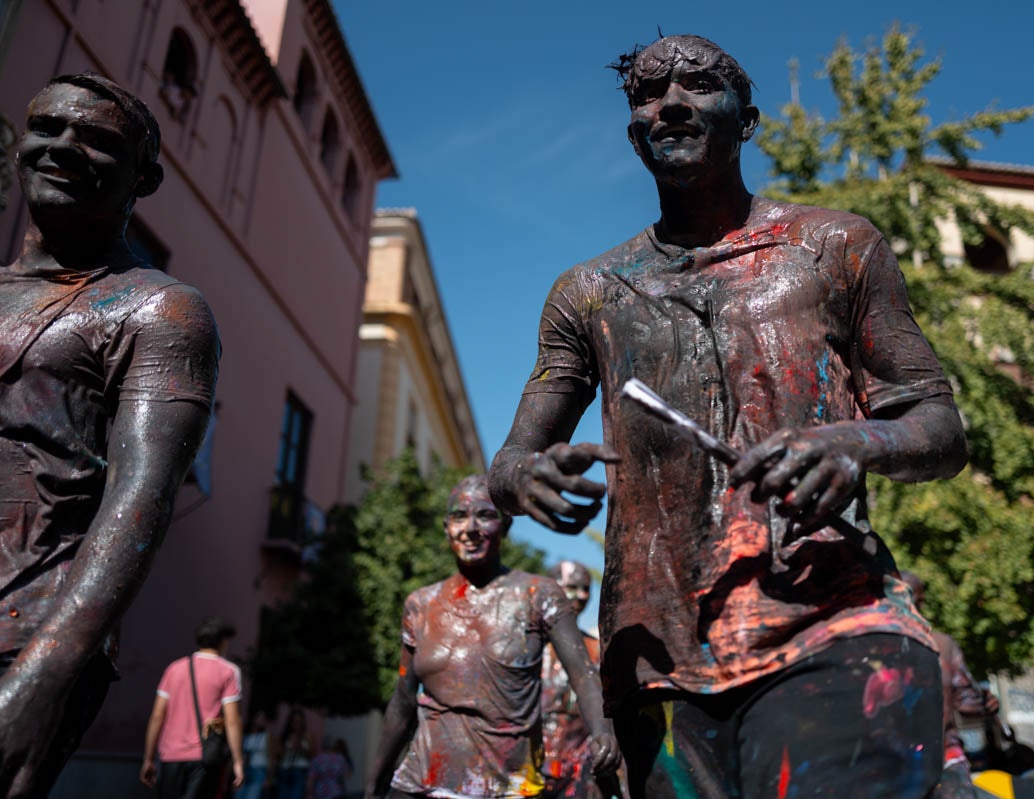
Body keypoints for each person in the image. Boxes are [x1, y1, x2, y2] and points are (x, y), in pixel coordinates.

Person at [489, 34, 968, 799]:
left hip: (830, 621)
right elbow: (509, 463)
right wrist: (527, 478)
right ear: (633, 132)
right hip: (657, 661)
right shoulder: (587, 291)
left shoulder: (835, 246)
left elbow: (939, 426)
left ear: (746, 120)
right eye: (648, 94)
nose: (670, 102)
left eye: (698, 84)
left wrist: (853, 440)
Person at [0, 73, 219, 797]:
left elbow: (141, 498)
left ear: (142, 178)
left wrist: (41, 677)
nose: (64, 147)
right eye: (49, 128)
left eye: (97, 140)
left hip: (23, 628)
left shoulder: (161, 309)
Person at [365, 475, 620, 799]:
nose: (470, 528)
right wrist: (374, 786)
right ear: (446, 528)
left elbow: (583, 675)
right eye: (460, 516)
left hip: (508, 787)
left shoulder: (538, 595)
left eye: (485, 515)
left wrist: (602, 731)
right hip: (421, 784)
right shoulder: (421, 605)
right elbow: (402, 703)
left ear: (505, 526)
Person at [899, 572, 998, 797]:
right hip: (890, 759)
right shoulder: (868, 645)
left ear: (921, 601)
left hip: (944, 757)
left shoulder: (943, 645)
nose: (900, 601)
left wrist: (985, 702)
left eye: (907, 595)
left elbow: (968, 700)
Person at [140, 617, 245, 798]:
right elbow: (232, 720)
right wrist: (237, 761)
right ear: (222, 641)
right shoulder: (228, 671)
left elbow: (157, 715)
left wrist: (148, 758)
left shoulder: (174, 668)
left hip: (170, 755)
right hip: (204, 756)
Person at [540, 561, 604, 799]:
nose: (581, 595)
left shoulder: (597, 649)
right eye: (572, 587)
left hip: (581, 770)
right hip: (531, 767)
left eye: (586, 588)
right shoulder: (530, 648)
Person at [275, 707, 313, 799]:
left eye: (299, 721)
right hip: (284, 769)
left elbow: (312, 754)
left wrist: (300, 747)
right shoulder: (285, 735)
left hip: (299, 770)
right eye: (294, 721)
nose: (296, 723)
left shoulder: (307, 735)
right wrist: (285, 748)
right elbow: (278, 754)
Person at [236, 710, 274, 799]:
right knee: (238, 796)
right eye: (260, 717)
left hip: (259, 770)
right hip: (244, 770)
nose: (262, 720)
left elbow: (271, 757)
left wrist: (269, 777)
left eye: (264, 718)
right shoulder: (245, 735)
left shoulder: (267, 736)